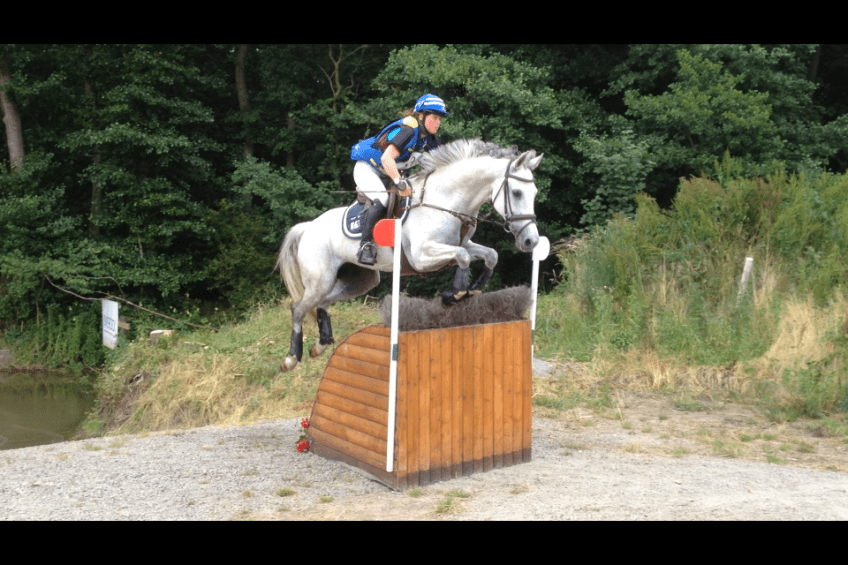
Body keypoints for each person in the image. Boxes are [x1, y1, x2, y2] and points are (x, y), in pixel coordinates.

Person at [350, 93, 448, 265]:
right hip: (369, 168)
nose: (438, 122)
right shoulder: (408, 131)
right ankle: (364, 246)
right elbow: (387, 159)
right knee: (382, 199)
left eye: (440, 119)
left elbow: (439, 167)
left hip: (391, 172)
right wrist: (400, 183)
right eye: (434, 117)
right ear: (421, 116)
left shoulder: (432, 140)